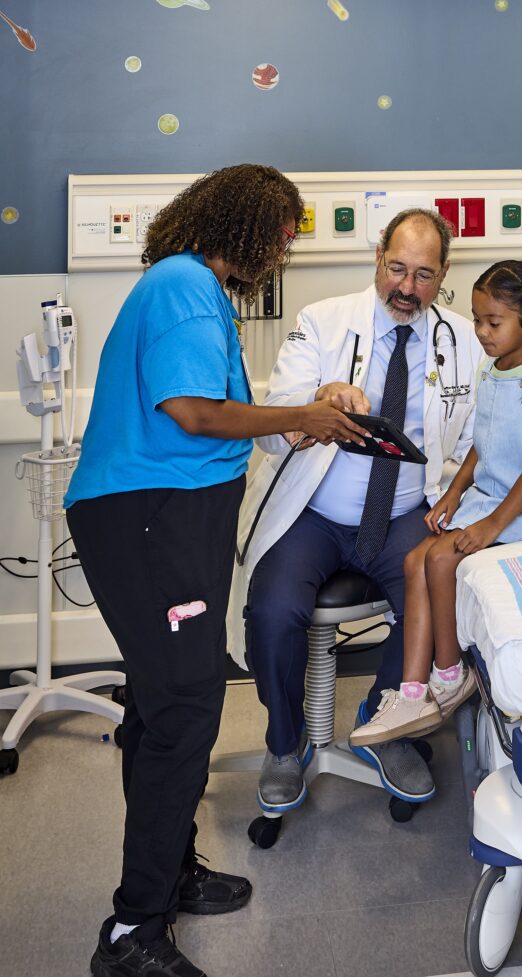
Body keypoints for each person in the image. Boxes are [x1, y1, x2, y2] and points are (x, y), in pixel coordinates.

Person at [65, 164, 358, 977]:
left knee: (164, 705)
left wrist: (297, 424)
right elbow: (190, 413)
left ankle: (173, 868)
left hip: (163, 513)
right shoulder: (185, 286)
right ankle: (132, 930)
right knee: (189, 706)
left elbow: (221, 418)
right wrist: (300, 416)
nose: (285, 249)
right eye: (284, 233)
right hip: (150, 514)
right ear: (248, 224)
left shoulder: (191, 288)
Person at [234, 208, 483, 810]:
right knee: (272, 611)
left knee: (435, 598)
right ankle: (284, 742)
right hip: (314, 514)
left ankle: (384, 720)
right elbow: (271, 428)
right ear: (378, 257)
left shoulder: (464, 341)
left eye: (424, 275)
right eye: (396, 268)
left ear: (443, 273)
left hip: (406, 514)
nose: (407, 287)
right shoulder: (321, 323)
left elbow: (482, 437)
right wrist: (316, 403)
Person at [349, 260, 522, 746]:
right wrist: (453, 495)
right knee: (417, 559)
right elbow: (482, 442)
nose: (481, 332)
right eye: (477, 320)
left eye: (493, 323)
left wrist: (491, 527)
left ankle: (451, 677)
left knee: (440, 558)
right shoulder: (490, 370)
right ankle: (411, 692)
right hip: (491, 493)